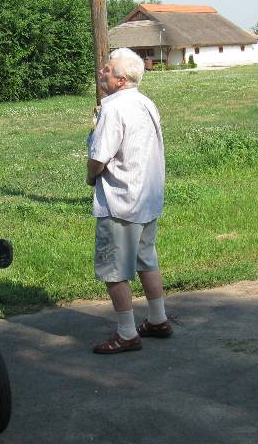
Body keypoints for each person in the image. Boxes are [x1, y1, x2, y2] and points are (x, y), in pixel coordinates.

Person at [86, 47, 173, 354]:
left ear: (121, 80)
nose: (102, 72)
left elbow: (99, 157)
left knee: (114, 269)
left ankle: (126, 333)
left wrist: (90, 176)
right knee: (146, 259)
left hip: (121, 200)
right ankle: (158, 319)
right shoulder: (146, 103)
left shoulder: (113, 109)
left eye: (108, 69)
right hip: (147, 197)